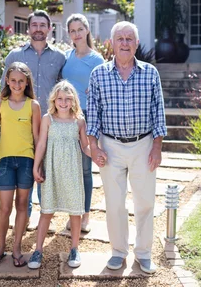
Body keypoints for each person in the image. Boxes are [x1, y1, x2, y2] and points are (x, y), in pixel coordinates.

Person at [86, 21, 167, 274]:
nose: (124, 43)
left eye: (129, 39)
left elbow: (158, 112)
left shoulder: (150, 73)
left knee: (144, 202)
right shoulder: (98, 74)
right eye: (119, 38)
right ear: (111, 43)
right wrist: (93, 147)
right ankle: (118, 252)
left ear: (137, 43)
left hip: (143, 145)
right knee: (115, 203)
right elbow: (93, 115)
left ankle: (143, 254)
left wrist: (156, 147)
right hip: (110, 146)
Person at [2, 9, 65, 220]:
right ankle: (25, 217)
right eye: (34, 25)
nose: (38, 29)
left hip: (50, 123)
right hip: (21, 125)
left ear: (49, 28)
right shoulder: (14, 56)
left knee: (46, 169)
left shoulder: (60, 57)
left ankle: (45, 216)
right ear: (28, 28)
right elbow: (4, 89)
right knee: (25, 170)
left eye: (42, 25)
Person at [27, 80, 90, 270]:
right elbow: (42, 144)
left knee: (75, 211)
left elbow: (85, 145)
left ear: (73, 101)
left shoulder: (79, 120)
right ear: (54, 100)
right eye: (60, 98)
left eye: (68, 99)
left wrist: (99, 154)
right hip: (52, 171)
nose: (63, 102)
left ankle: (74, 248)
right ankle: (38, 250)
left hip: (72, 171)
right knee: (46, 210)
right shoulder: (48, 119)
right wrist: (36, 166)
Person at [0, 62, 41, 268]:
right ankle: (0, 247)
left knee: (22, 205)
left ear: (27, 83)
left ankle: (16, 248)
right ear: (7, 81)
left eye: (21, 81)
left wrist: (39, 163)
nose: (17, 84)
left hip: (27, 160)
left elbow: (37, 137)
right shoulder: (0, 103)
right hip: (6, 160)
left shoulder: (33, 105)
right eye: (13, 80)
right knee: (5, 207)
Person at [61, 14, 104, 232]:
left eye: (80, 29)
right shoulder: (66, 56)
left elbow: (103, 89)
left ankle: (85, 216)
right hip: (66, 116)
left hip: (86, 116)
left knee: (85, 169)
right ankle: (74, 212)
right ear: (69, 34)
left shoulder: (96, 60)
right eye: (72, 30)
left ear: (87, 30)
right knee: (70, 168)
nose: (76, 34)